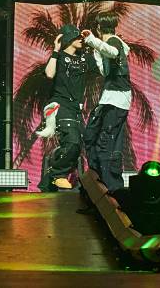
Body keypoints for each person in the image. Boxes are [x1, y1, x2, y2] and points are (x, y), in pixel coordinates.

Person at [36, 23, 94, 192]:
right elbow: (49, 74)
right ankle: (57, 174)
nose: (81, 40)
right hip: (61, 104)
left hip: (76, 108)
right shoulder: (59, 57)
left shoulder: (84, 59)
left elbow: (102, 61)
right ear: (68, 39)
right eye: (77, 37)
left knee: (78, 145)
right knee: (72, 141)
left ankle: (48, 181)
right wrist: (55, 50)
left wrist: (94, 39)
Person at [80, 11, 132, 192]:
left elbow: (113, 52)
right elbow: (104, 70)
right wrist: (96, 49)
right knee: (90, 136)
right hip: (109, 98)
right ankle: (97, 179)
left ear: (98, 27)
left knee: (105, 145)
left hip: (117, 100)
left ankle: (110, 188)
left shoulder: (114, 41)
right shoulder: (107, 44)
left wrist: (91, 40)